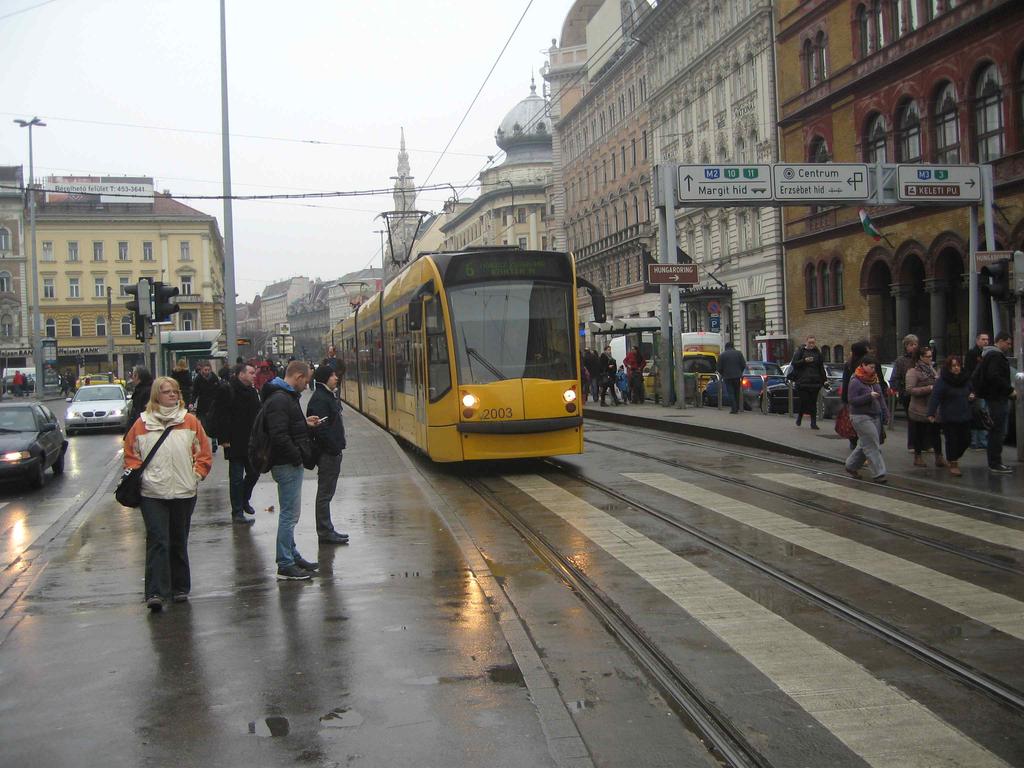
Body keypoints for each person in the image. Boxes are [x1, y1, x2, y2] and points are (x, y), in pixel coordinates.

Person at [123, 376, 213, 612]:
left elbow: (203, 452)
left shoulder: (190, 421)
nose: (173, 395)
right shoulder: (141, 424)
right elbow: (131, 455)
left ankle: (180, 587)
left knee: (178, 539)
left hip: (184, 491)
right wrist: (139, 476)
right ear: (156, 395)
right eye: (167, 392)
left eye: (175, 391)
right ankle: (155, 591)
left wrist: (196, 476)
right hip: (152, 493)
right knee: (158, 540)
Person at [263, 360, 321, 580]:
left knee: (290, 513)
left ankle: (292, 554)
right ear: (297, 377)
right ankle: (285, 562)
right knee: (289, 515)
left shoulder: (283, 396)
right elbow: (279, 435)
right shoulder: (280, 399)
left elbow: (284, 427)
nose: (307, 386)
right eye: (306, 381)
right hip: (286, 463)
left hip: (286, 461)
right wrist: (297, 456)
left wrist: (304, 423)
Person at [306, 363, 350, 545]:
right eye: (333, 375)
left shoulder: (326, 396)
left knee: (327, 493)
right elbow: (320, 429)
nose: (336, 378)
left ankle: (328, 529)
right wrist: (332, 448)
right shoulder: (320, 399)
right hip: (327, 453)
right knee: (324, 494)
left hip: (332, 451)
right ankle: (325, 531)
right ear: (325, 378)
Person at [213, 362, 261, 525]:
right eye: (251, 373)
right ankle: (237, 512)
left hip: (251, 440)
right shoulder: (227, 390)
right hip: (233, 441)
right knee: (236, 478)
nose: (254, 375)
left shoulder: (253, 391)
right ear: (241, 374)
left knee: (254, 472)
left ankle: (244, 499)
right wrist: (224, 439)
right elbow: (221, 415)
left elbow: (257, 413)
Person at [974, 331, 1016, 474]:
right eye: (1008, 343)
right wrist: (1009, 390)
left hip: (993, 398)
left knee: (996, 430)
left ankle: (995, 461)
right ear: (1001, 341)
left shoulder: (989, 355)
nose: (1009, 346)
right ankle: (995, 462)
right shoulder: (996, 356)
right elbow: (994, 376)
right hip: (997, 398)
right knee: (997, 431)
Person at [844, 356, 889, 483]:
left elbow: (881, 399)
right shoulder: (855, 380)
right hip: (860, 416)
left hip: (875, 415)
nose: (873, 370)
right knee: (873, 444)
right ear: (863, 365)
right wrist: (868, 396)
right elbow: (852, 400)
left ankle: (851, 465)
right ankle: (879, 473)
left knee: (865, 443)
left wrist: (885, 413)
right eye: (871, 367)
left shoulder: (874, 380)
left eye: (874, 367)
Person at [928, 356, 973, 477]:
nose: (956, 368)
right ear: (949, 368)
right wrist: (931, 413)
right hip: (949, 416)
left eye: (958, 365)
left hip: (965, 414)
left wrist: (972, 395)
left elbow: (971, 390)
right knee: (951, 440)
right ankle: (953, 463)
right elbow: (935, 397)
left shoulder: (965, 379)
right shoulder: (943, 381)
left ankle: (953, 457)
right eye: (953, 366)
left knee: (966, 439)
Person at [905, 346, 945, 468]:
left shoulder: (932, 369)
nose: (930, 358)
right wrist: (929, 388)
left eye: (931, 356)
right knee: (920, 433)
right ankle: (918, 457)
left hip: (932, 407)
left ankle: (939, 457)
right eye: (928, 356)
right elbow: (910, 389)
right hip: (919, 408)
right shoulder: (913, 371)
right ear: (921, 357)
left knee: (935, 433)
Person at [790, 335, 826, 429]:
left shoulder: (818, 353)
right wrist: (804, 361)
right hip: (802, 382)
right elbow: (794, 363)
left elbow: (821, 368)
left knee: (813, 403)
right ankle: (800, 416)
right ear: (806, 342)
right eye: (810, 342)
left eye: (813, 342)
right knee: (804, 401)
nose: (811, 344)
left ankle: (813, 423)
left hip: (815, 382)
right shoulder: (800, 351)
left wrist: (824, 380)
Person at [963, 332, 990, 450]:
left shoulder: (988, 354)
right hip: (976, 389)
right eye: (983, 339)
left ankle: (980, 441)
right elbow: (969, 373)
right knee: (978, 414)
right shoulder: (972, 354)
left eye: (987, 339)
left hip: (984, 389)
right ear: (977, 340)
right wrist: (972, 389)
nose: (985, 341)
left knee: (983, 415)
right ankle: (976, 441)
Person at [892, 333, 919, 449]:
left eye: (916, 344)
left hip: (922, 394)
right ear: (906, 346)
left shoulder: (921, 358)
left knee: (923, 420)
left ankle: (925, 443)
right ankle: (912, 444)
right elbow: (895, 378)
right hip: (908, 394)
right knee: (912, 419)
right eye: (911, 344)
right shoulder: (901, 361)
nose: (914, 347)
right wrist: (901, 391)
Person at [841, 340, 870, 449]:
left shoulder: (849, 364)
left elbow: (845, 382)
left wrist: (844, 398)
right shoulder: (866, 364)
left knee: (854, 420)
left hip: (851, 397)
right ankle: (861, 444)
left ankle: (854, 441)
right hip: (865, 396)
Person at [190, 363, 221, 453]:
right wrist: (192, 402)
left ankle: (214, 441)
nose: (207, 371)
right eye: (205, 370)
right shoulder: (198, 379)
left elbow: (219, 390)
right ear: (201, 370)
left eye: (208, 369)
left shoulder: (214, 378)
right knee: (204, 424)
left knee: (213, 424)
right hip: (202, 405)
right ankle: (205, 442)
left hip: (213, 404)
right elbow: (195, 392)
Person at [717, 342, 747, 414]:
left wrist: (723, 373)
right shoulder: (739, 353)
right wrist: (740, 372)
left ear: (726, 347)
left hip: (727, 376)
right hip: (737, 376)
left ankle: (734, 408)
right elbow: (743, 364)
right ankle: (737, 407)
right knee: (737, 392)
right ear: (733, 346)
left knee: (731, 393)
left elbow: (718, 368)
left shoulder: (722, 355)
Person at [127, 366, 154, 430]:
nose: (132, 378)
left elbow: (141, 411)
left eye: (133, 375)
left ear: (137, 377)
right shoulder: (140, 390)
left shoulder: (146, 391)